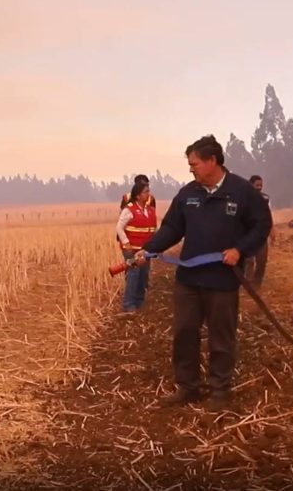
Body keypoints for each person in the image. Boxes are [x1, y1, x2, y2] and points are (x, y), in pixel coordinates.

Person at [135, 135, 272, 410]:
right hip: (189, 279)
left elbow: (261, 225)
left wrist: (239, 250)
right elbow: (172, 228)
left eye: (194, 163)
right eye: (190, 164)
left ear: (212, 161)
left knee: (222, 335)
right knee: (184, 332)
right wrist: (148, 249)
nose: (191, 169)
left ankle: (220, 390)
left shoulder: (241, 191)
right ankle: (188, 387)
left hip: (223, 279)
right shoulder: (188, 194)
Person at [115, 182, 157, 312]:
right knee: (134, 274)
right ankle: (129, 304)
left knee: (143, 275)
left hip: (145, 251)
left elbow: (153, 230)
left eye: (148, 191)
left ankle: (139, 301)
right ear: (138, 195)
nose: (148, 194)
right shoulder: (129, 210)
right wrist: (126, 243)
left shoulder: (150, 211)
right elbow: (119, 228)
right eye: (146, 192)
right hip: (131, 250)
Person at [243, 175, 275, 289]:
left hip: (261, 234)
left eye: (261, 185)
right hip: (247, 234)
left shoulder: (265, 198)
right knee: (248, 261)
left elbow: (269, 215)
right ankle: (247, 283)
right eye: (257, 185)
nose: (259, 187)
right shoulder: (243, 197)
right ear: (251, 184)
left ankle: (257, 283)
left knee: (262, 260)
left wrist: (272, 230)